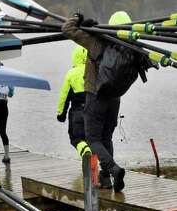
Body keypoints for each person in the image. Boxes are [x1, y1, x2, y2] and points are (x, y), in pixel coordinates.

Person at [62, 10, 151, 192]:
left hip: (96, 95)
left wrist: (78, 19)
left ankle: (113, 169)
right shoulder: (132, 46)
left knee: (93, 138)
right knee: (106, 137)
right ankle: (106, 180)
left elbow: (67, 29)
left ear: (110, 25)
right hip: (115, 98)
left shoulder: (98, 41)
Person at [56, 46, 91, 161]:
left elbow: (64, 96)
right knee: (92, 140)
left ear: (75, 57)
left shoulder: (71, 74)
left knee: (76, 139)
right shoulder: (94, 70)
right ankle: (93, 170)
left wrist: (61, 114)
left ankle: (85, 152)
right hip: (93, 111)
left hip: (77, 112)